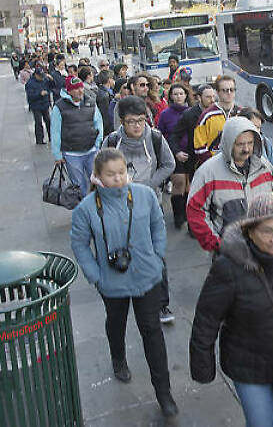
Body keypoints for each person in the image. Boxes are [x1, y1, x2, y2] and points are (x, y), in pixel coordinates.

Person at [190, 192, 273, 427]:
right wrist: (203, 366)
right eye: (267, 231)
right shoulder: (228, 267)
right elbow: (207, 318)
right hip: (247, 365)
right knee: (263, 423)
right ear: (250, 231)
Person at [70, 148, 178, 418]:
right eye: (111, 174)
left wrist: (157, 255)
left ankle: (164, 393)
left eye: (122, 173)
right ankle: (118, 358)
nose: (118, 179)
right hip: (111, 282)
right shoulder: (86, 209)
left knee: (152, 331)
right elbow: (80, 245)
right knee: (116, 323)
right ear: (97, 177)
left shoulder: (143, 196)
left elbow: (158, 225)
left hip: (147, 276)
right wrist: (96, 275)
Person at [103, 96, 176, 324]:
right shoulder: (112, 141)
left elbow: (169, 164)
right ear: (122, 122)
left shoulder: (155, 138)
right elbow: (99, 171)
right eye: (132, 121)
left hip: (150, 207)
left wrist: (149, 185)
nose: (137, 126)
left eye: (141, 120)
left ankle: (161, 304)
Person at [187, 117, 273, 254]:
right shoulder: (208, 173)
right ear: (228, 143)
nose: (246, 149)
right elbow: (195, 211)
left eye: (250, 143)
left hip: (263, 249)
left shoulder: (265, 167)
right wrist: (217, 244)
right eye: (240, 144)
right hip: (228, 254)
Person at [51, 77, 104, 197]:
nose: (80, 91)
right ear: (68, 91)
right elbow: (55, 132)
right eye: (76, 89)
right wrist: (57, 154)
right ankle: (85, 207)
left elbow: (98, 123)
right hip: (72, 154)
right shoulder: (59, 107)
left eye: (81, 87)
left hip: (91, 150)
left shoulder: (91, 102)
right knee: (79, 185)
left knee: (97, 180)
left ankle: (98, 204)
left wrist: (97, 143)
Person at [158, 82, 193, 229]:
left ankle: (187, 213)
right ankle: (178, 215)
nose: (178, 97)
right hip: (173, 153)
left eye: (181, 93)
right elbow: (161, 134)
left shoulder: (192, 111)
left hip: (191, 153)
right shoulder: (165, 114)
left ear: (186, 95)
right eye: (175, 94)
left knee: (189, 186)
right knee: (178, 182)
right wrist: (175, 151)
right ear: (171, 96)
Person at [168, 84, 216, 190]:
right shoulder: (189, 115)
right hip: (196, 162)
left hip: (216, 159)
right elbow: (174, 136)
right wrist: (177, 152)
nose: (212, 100)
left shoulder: (218, 112)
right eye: (208, 97)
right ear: (199, 98)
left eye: (213, 96)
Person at [193, 75, 243, 166]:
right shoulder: (207, 116)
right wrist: (213, 165)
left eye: (232, 90)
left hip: (239, 165)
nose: (229, 93)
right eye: (224, 90)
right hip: (214, 166)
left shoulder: (241, 114)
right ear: (217, 92)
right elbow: (199, 147)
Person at [238, 107, 273, 179]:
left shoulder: (266, 143)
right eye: (254, 127)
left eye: (259, 127)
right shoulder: (233, 146)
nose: (257, 131)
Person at [25, 67, 54, 145]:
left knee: (48, 121)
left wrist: (51, 80)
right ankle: (39, 139)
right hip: (36, 105)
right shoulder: (30, 83)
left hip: (45, 104)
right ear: (36, 75)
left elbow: (52, 87)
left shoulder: (44, 80)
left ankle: (52, 137)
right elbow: (30, 96)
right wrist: (39, 94)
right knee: (38, 122)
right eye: (40, 76)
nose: (42, 78)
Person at [95, 70, 116, 135]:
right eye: (113, 79)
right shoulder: (104, 96)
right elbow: (105, 116)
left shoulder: (106, 92)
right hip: (107, 130)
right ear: (109, 80)